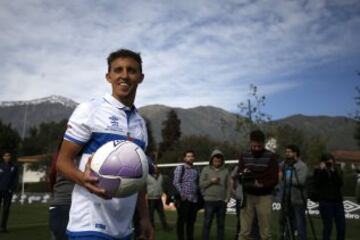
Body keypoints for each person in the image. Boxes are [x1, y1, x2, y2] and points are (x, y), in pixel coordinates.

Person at [57, 49, 153, 240]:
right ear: (108, 76)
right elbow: (62, 161)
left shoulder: (141, 123)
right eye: (118, 70)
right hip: (88, 223)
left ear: (140, 77)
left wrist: (144, 218)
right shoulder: (90, 110)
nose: (124, 75)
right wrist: (81, 178)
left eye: (131, 70)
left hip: (123, 228)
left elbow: (139, 176)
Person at [238, 130, 279, 240]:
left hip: (264, 196)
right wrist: (243, 174)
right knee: (244, 231)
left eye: (259, 146)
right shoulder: (244, 155)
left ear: (263, 143)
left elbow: (275, 178)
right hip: (247, 195)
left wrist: (262, 185)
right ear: (250, 142)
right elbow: (239, 173)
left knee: (265, 230)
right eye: (254, 146)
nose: (256, 149)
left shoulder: (271, 156)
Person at [199, 149, 231, 240]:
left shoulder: (225, 171)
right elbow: (201, 184)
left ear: (222, 161)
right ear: (212, 160)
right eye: (215, 160)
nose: (217, 162)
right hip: (209, 201)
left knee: (221, 224)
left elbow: (229, 185)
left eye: (219, 161)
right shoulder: (205, 169)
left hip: (221, 202)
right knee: (207, 223)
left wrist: (227, 198)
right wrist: (211, 181)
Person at [279, 144, 308, 240]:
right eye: (286, 152)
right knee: (287, 223)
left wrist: (287, 179)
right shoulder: (284, 164)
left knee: (299, 223)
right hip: (286, 198)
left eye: (289, 152)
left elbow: (301, 181)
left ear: (295, 153)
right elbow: (278, 171)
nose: (287, 154)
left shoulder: (302, 166)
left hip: (298, 200)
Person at [314, 153, 345, 240]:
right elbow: (317, 184)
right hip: (325, 202)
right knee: (328, 226)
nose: (329, 164)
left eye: (331, 163)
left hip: (338, 202)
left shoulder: (336, 170)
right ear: (322, 162)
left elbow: (340, 183)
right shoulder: (319, 171)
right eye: (327, 163)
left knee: (341, 226)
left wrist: (332, 171)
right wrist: (322, 170)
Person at [49, 141, 75, 240]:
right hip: (65, 202)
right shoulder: (89, 155)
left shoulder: (59, 156)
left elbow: (51, 175)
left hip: (60, 202)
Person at [173, 150, 200, 240]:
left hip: (194, 200)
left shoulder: (196, 170)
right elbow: (176, 182)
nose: (190, 158)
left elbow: (197, 183)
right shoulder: (180, 168)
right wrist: (182, 194)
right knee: (181, 222)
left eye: (192, 156)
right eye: (188, 156)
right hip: (184, 200)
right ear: (184, 158)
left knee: (191, 222)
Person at [146, 165, 171, 231]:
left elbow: (163, 185)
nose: (156, 169)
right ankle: (152, 227)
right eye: (154, 168)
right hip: (150, 198)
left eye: (157, 168)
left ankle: (165, 227)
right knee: (150, 214)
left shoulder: (161, 176)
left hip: (158, 198)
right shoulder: (147, 176)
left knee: (162, 214)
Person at [0, 151, 18, 233]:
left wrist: (12, 189)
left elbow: (16, 179)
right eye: (6, 156)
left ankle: (3, 227)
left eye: (9, 155)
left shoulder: (14, 167)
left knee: (6, 209)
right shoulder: (0, 166)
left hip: (8, 192)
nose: (7, 157)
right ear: (3, 157)